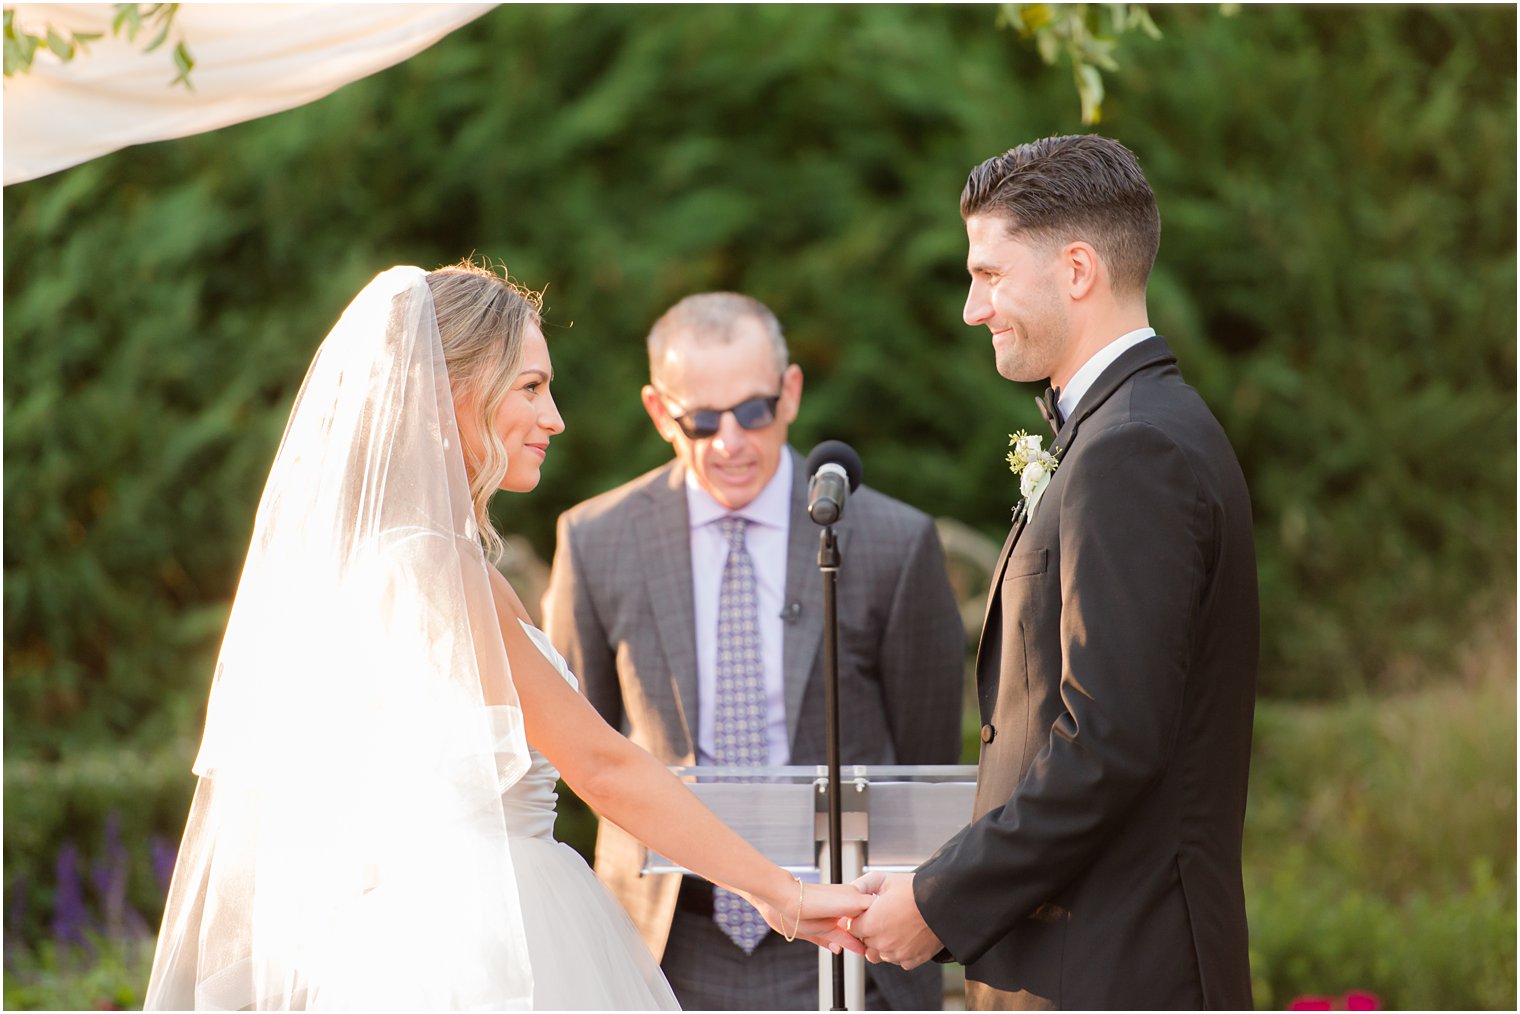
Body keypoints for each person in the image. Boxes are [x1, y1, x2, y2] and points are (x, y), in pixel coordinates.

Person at [143, 261, 869, 1011]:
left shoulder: (382, 560)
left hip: (418, 932)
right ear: (442, 393)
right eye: (529, 387)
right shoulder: (434, 566)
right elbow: (603, 764)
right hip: (485, 947)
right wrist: (779, 892)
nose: (554, 417)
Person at [847, 135, 1259, 1009]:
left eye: (990, 275)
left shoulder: (1133, 450)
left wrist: (936, 901)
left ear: (1077, 270)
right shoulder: (1123, 432)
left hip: (1114, 972)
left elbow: (1108, 744)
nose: (971, 307)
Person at [542, 292, 965, 1010]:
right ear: (657, 411)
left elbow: (919, 757)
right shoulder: (596, 539)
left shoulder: (892, 542)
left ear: (791, 392)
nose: (729, 441)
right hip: (666, 936)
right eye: (700, 419)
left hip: (843, 934)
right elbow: (587, 747)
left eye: (753, 411)